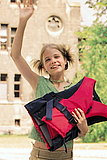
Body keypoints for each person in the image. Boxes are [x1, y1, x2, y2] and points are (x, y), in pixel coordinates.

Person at [10, 1, 88, 159]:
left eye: (57, 57)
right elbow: (15, 56)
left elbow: (82, 133)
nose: (53, 61)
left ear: (65, 60)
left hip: (66, 155)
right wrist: (23, 20)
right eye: (47, 59)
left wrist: (83, 126)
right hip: (41, 155)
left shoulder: (76, 91)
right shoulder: (39, 83)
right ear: (44, 66)